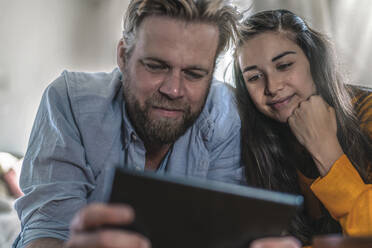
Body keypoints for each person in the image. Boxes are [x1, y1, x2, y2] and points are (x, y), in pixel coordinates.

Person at [14, 1, 245, 247]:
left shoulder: (224, 115)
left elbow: (222, 236)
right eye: (156, 66)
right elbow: (47, 231)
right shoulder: (70, 102)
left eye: (195, 74)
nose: (174, 90)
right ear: (124, 56)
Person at [233, 9, 372, 248]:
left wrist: (327, 152)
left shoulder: (367, 112)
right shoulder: (254, 143)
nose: (273, 86)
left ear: (313, 61)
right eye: (254, 77)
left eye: (285, 65)